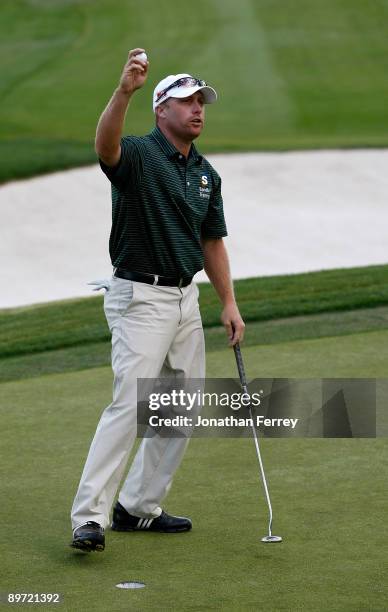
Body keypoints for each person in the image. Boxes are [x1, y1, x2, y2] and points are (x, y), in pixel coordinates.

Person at [70, 48, 245, 552]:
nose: (198, 110)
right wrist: (124, 90)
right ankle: (90, 518)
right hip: (139, 296)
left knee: (180, 406)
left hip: (184, 298)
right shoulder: (139, 155)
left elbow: (212, 240)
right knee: (130, 406)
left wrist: (228, 302)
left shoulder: (206, 173)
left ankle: (138, 507)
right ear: (161, 109)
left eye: (202, 103)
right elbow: (105, 148)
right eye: (187, 102)